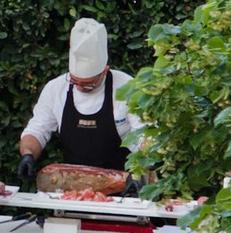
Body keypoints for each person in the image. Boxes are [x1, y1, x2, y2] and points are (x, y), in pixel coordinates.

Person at [16, 18, 142, 190]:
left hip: (124, 190)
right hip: (72, 191)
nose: (81, 87)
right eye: (75, 81)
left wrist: (140, 172)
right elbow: (37, 130)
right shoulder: (56, 89)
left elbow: (145, 136)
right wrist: (28, 154)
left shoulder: (128, 88)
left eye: (88, 83)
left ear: (104, 71)